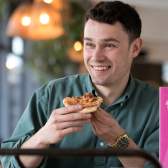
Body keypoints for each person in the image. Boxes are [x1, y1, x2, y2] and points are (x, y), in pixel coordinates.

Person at [1, 1, 159, 167]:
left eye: (109, 45)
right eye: (90, 44)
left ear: (135, 48)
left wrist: (118, 140)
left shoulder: (159, 107)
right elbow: (6, 163)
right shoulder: (50, 95)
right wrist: (42, 137)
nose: (96, 56)